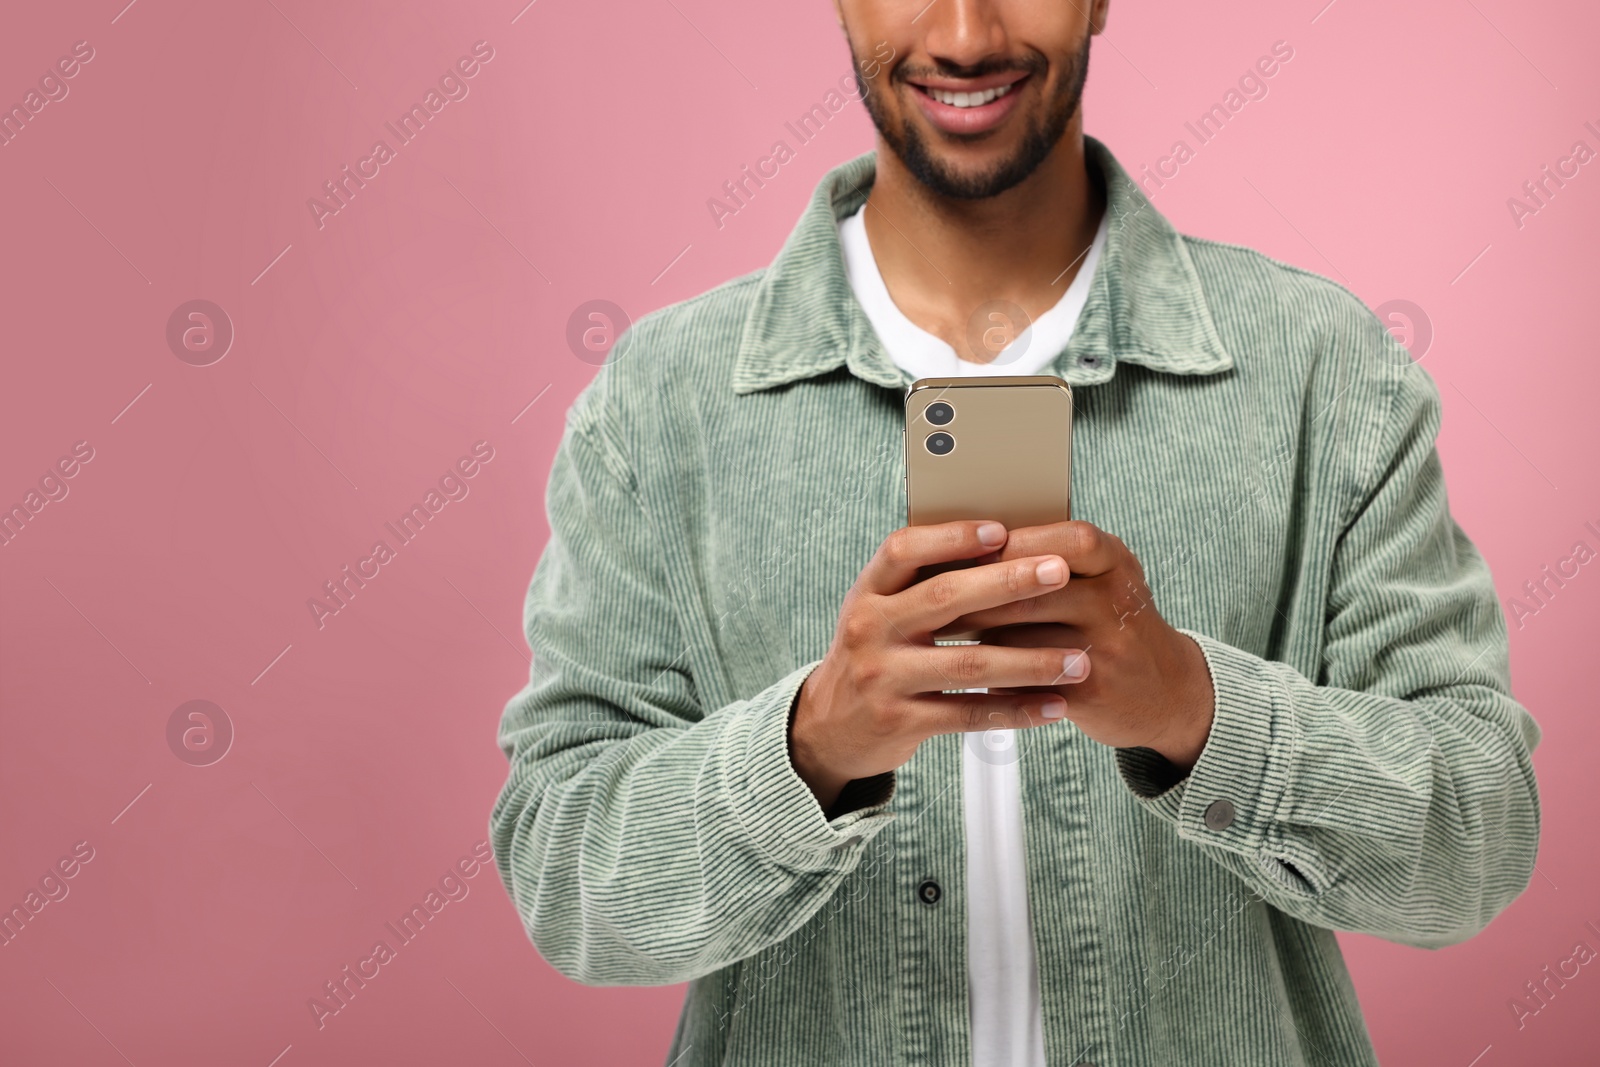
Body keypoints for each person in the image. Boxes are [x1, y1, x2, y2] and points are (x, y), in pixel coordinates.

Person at [489, 1, 1542, 1064]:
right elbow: (565, 879)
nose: (962, 36)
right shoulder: (660, 402)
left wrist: (1192, 707)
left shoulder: (1324, 371)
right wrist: (811, 747)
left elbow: (1476, 838)